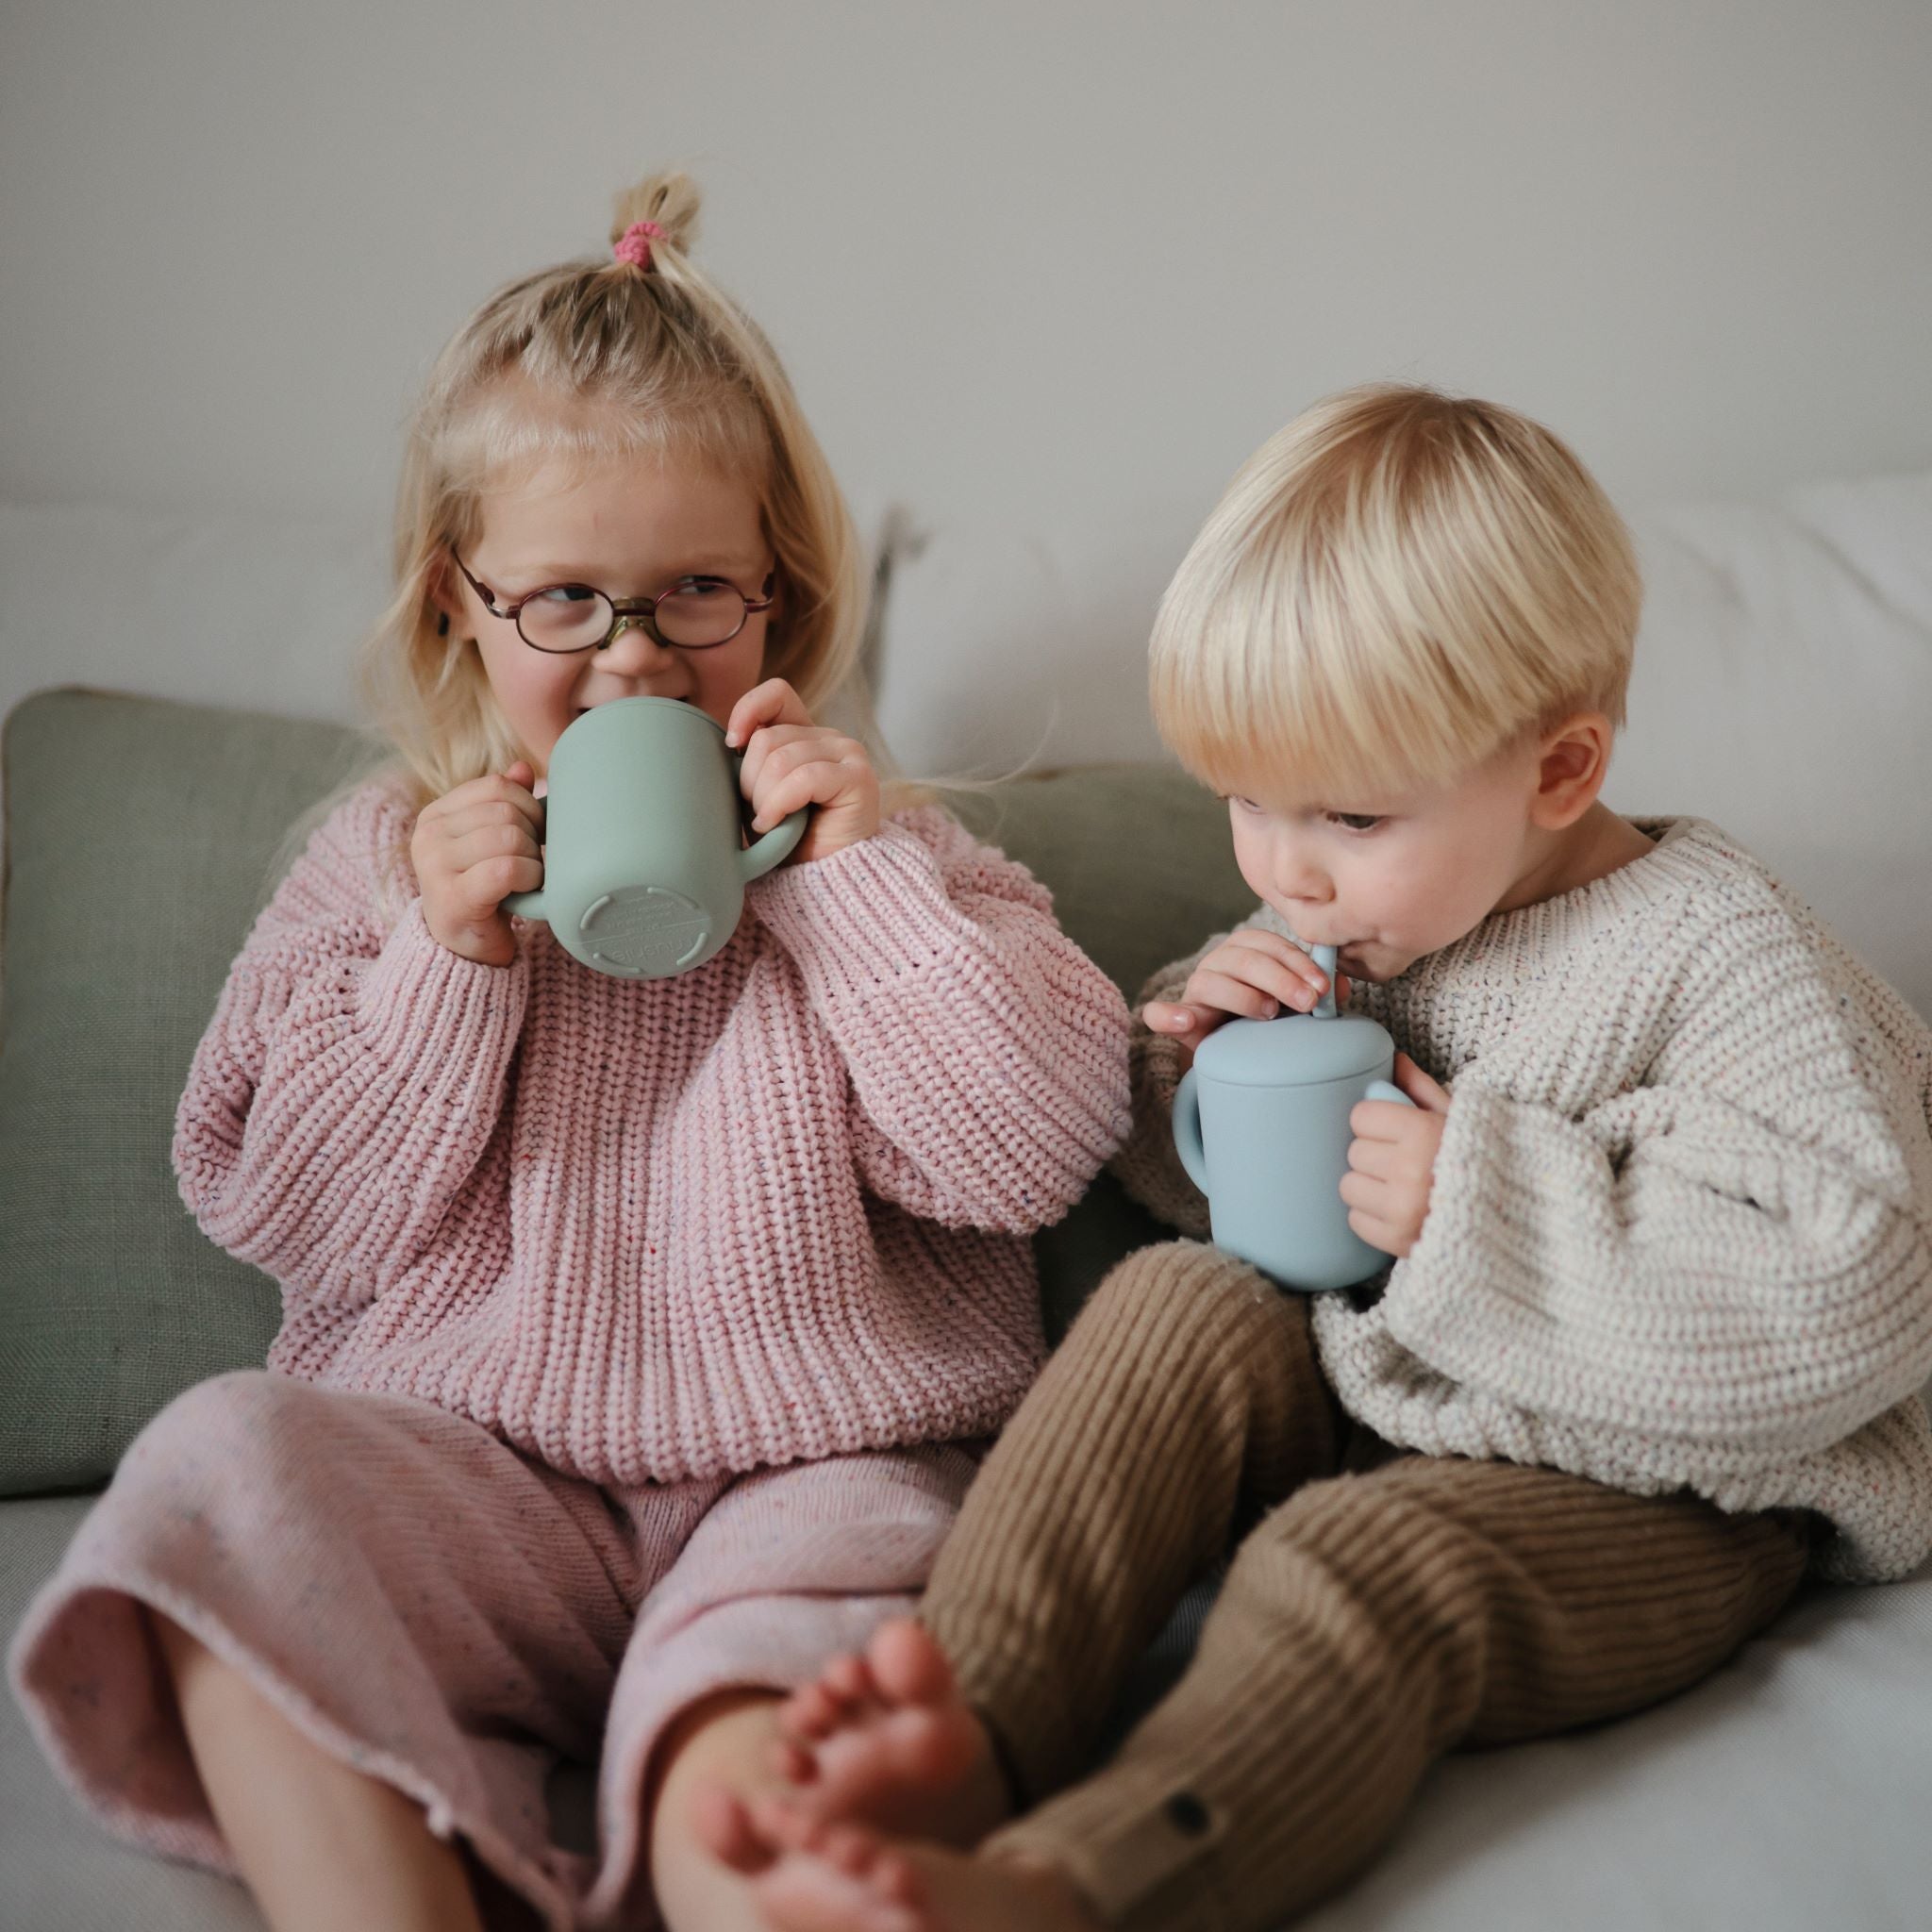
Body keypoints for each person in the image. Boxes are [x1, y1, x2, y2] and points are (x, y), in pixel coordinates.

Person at [9, 170, 1132, 1932]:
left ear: (782, 596)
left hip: (812, 1476)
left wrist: (864, 894)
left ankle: (747, 1864)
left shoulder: (883, 854)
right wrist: (439, 965)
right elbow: (276, 1204)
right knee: (220, 1476)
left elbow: (1025, 1151)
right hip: (476, 1482)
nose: (632, 663)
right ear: (462, 602)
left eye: (697, 593)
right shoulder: (388, 866)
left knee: (792, 1737)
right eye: (566, 605)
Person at [697, 384, 1932, 1932]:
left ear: (1559, 770)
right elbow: (1230, 1197)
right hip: (1388, 1384)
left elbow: (1858, 1285)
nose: (1288, 869)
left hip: (1668, 1485)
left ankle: (1067, 1886)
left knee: (1361, 1564)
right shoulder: (1362, 906)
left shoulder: (1722, 952)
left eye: (1347, 813)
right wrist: (1190, 1067)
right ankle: (963, 1728)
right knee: (1168, 1307)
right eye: (1247, 802)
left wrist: (1468, 1204)